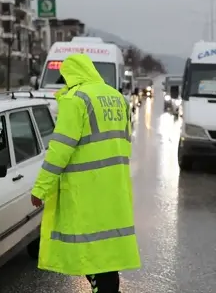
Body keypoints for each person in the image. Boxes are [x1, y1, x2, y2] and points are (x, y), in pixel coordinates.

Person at [30, 54, 141, 293]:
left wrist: (40, 189)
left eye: (65, 78)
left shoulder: (76, 99)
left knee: (88, 252)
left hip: (85, 191)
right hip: (114, 188)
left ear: (71, 74)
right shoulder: (118, 98)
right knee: (106, 255)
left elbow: (59, 150)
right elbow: (125, 141)